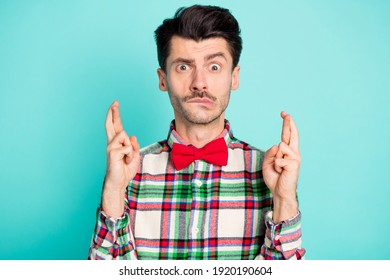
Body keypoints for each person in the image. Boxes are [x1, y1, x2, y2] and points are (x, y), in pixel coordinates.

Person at [88, 5, 305, 260]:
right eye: (183, 67)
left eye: (214, 67)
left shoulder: (271, 174)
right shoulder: (129, 171)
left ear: (234, 77)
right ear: (162, 79)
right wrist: (113, 191)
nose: (199, 82)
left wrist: (284, 199)